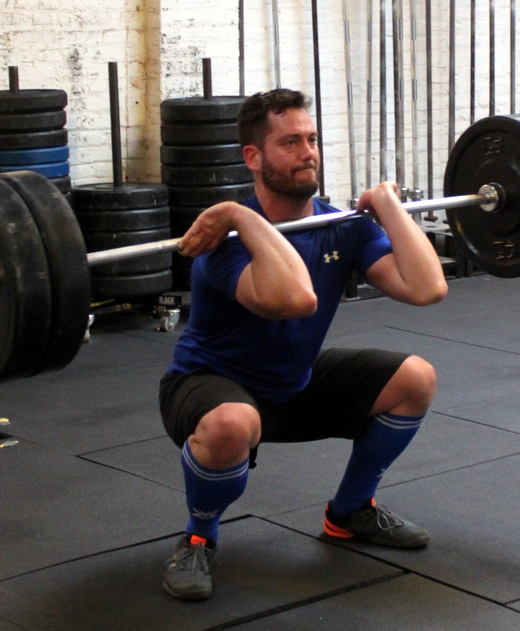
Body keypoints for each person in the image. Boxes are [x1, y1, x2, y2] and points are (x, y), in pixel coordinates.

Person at [158, 88, 448, 601]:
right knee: (232, 423)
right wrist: (243, 218)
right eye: (290, 142)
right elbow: (295, 300)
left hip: (294, 385)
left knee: (415, 378)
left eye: (311, 139)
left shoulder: (340, 226)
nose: (308, 152)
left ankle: (351, 510)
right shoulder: (222, 241)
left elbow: (427, 288)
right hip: (208, 387)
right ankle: (199, 536)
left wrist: (388, 206)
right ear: (254, 157)